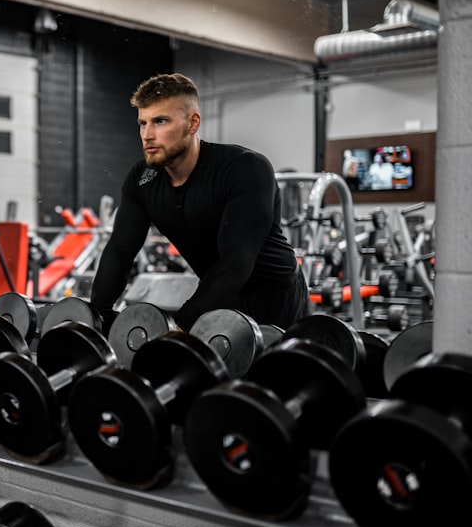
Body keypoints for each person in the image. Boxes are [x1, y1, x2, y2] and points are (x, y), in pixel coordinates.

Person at [90, 72, 309, 332]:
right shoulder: (142, 180)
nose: (147, 135)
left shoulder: (244, 168)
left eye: (160, 121)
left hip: (275, 298)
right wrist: (96, 316)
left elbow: (236, 260)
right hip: (216, 295)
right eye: (142, 123)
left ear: (192, 123)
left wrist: (182, 324)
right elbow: (120, 251)